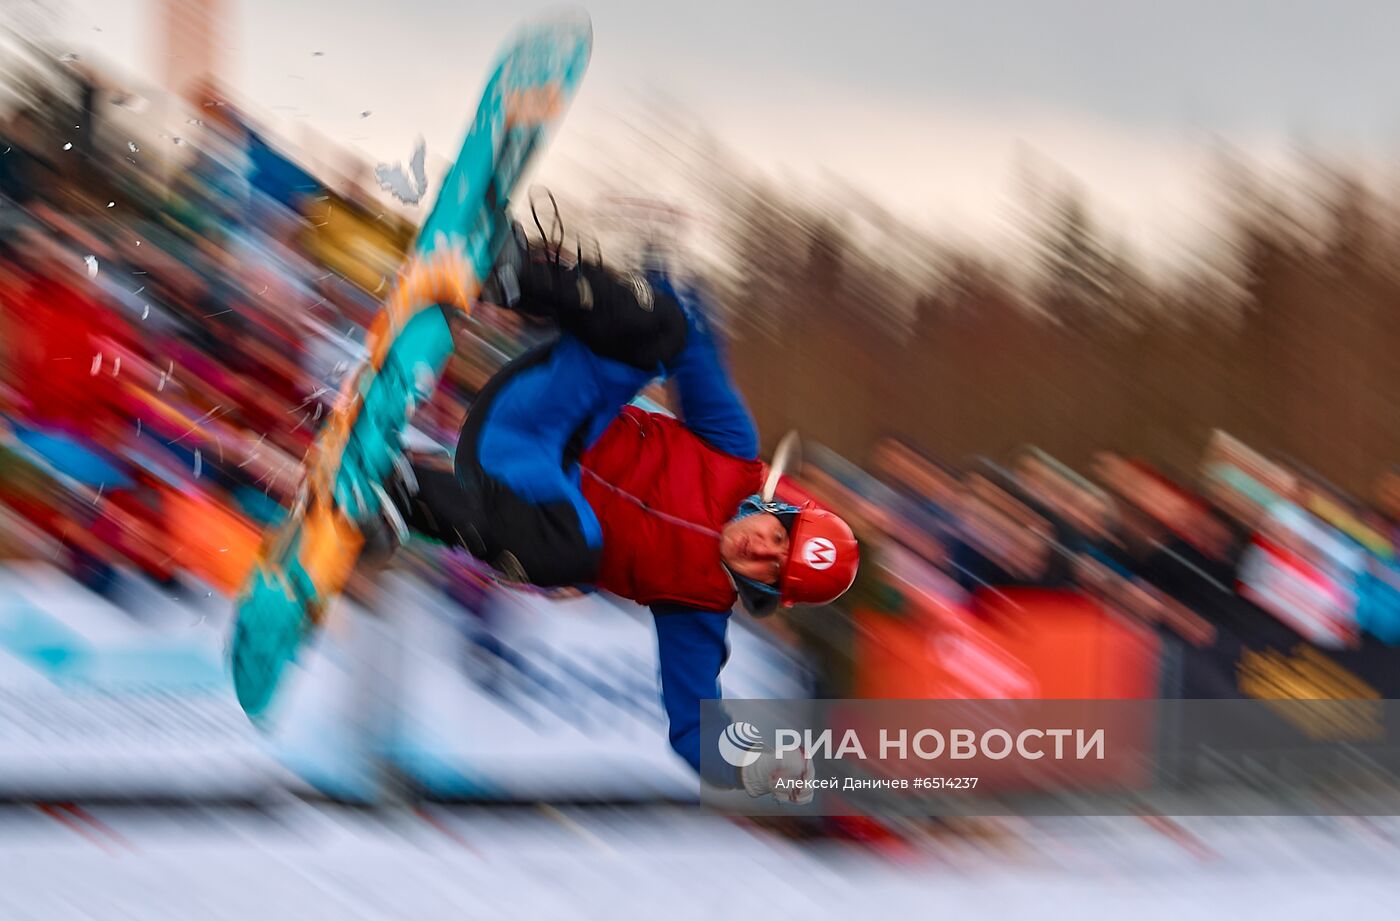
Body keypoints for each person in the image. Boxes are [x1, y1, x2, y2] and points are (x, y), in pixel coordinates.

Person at [370, 222, 859, 802]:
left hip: (517, 487)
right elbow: (695, 344)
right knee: (668, 330)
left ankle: (405, 494)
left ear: (766, 591)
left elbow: (693, 731)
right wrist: (653, 281)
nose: (761, 549)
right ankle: (519, 274)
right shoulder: (734, 450)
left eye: (771, 569)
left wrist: (759, 769)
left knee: (574, 556)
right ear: (777, 511)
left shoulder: (697, 607)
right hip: (540, 409)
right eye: (778, 536)